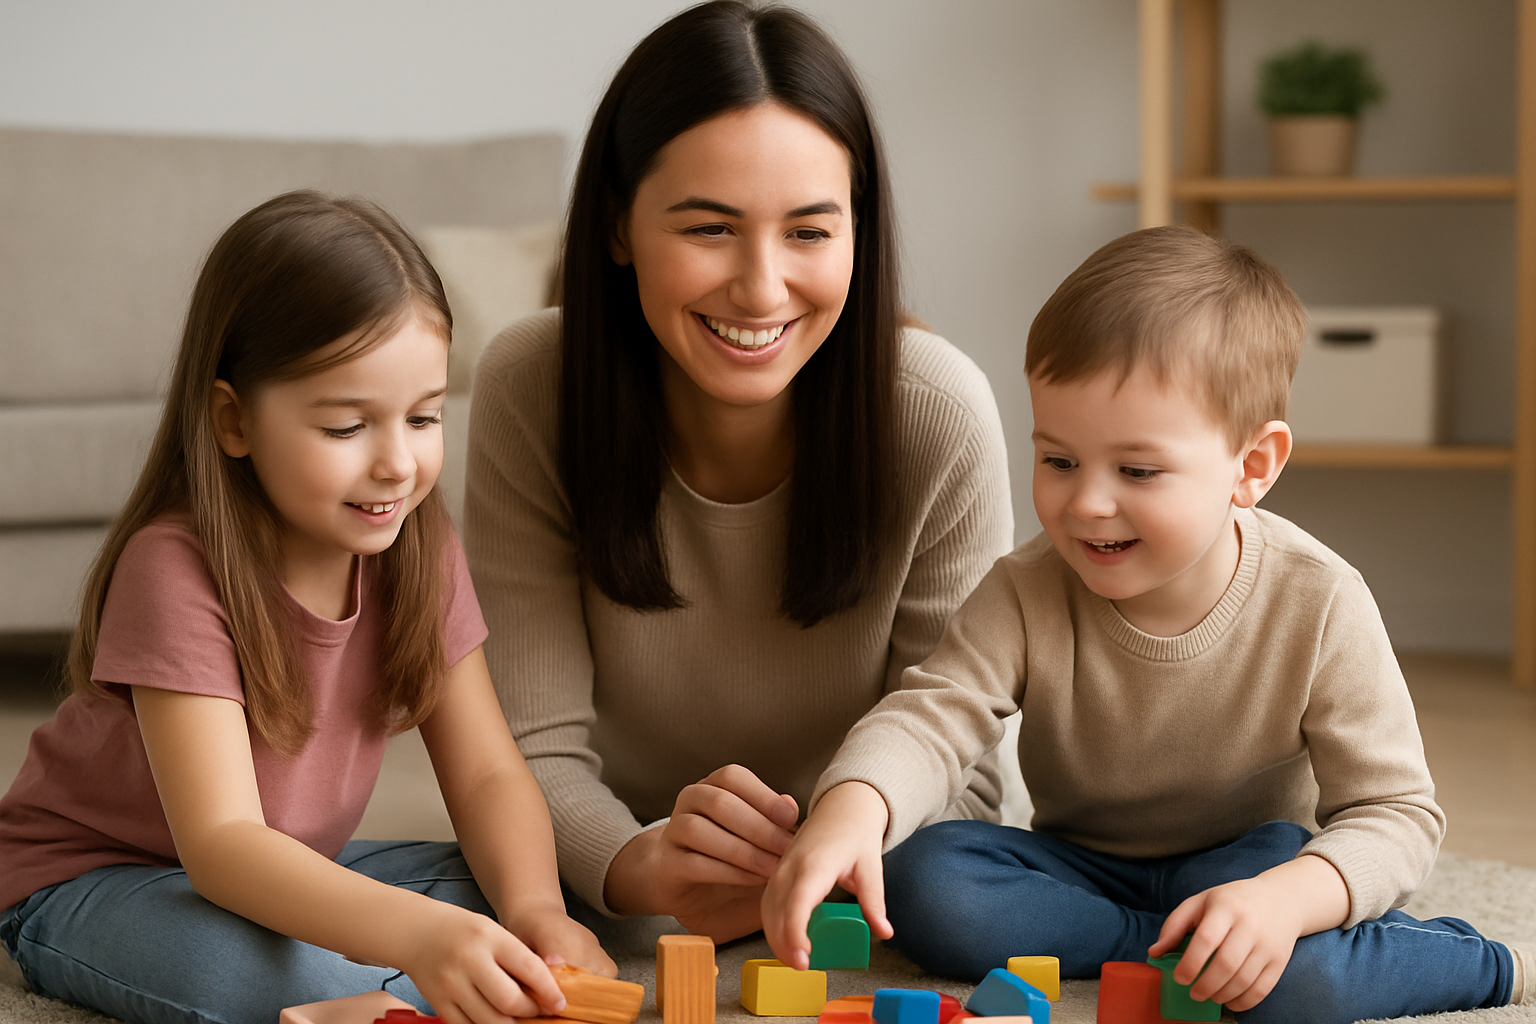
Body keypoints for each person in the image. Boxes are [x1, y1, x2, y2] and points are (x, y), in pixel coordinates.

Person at [761, 225, 1534, 1024]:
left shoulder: (1321, 600)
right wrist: (850, 808)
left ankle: (1483, 963)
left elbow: (1396, 813)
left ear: (1252, 467)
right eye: (1058, 460)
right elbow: (932, 716)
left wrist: (1290, 900)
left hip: (1251, 866)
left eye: (1137, 470)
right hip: (1083, 871)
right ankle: (1176, 950)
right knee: (928, 878)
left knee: (1303, 986)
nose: (1087, 502)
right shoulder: (1026, 588)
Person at [465, 1, 1012, 942]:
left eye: (809, 231)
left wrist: (846, 831)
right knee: (432, 891)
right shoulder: (531, 388)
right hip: (635, 852)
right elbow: (523, 752)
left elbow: (965, 764)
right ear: (617, 226)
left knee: (955, 896)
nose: (762, 288)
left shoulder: (939, 411)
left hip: (885, 852)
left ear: (860, 232)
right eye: (710, 229)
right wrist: (633, 864)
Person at [0, 191, 614, 1024]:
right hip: (100, 877)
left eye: (425, 416)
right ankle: (356, 1000)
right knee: (255, 973)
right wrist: (424, 938)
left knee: (548, 891)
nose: (398, 464)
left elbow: (485, 771)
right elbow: (222, 848)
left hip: (282, 863)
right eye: (346, 427)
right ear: (233, 420)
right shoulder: (174, 569)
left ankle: (388, 991)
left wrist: (536, 908)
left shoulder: (420, 546)